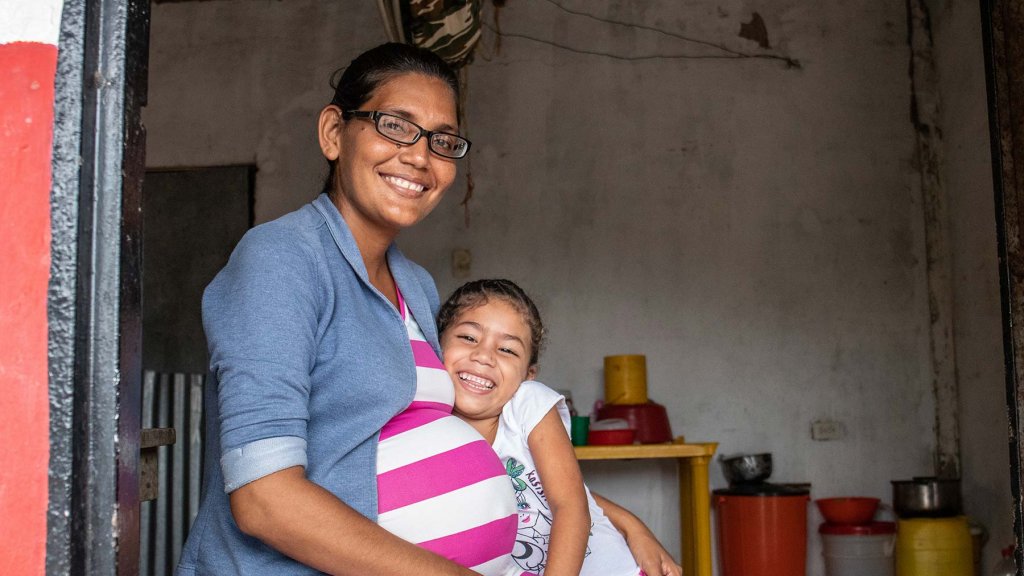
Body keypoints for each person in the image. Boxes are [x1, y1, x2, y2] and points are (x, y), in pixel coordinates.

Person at [176, 43, 521, 576]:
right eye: (395, 126)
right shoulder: (282, 259)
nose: (420, 157)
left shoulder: (417, 284)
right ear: (334, 133)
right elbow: (263, 497)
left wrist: (601, 514)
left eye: (443, 140)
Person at [437, 279, 684, 576]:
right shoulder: (429, 432)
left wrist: (634, 527)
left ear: (528, 374)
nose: (484, 356)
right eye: (468, 337)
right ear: (435, 345)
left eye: (507, 350)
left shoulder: (526, 405)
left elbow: (570, 504)